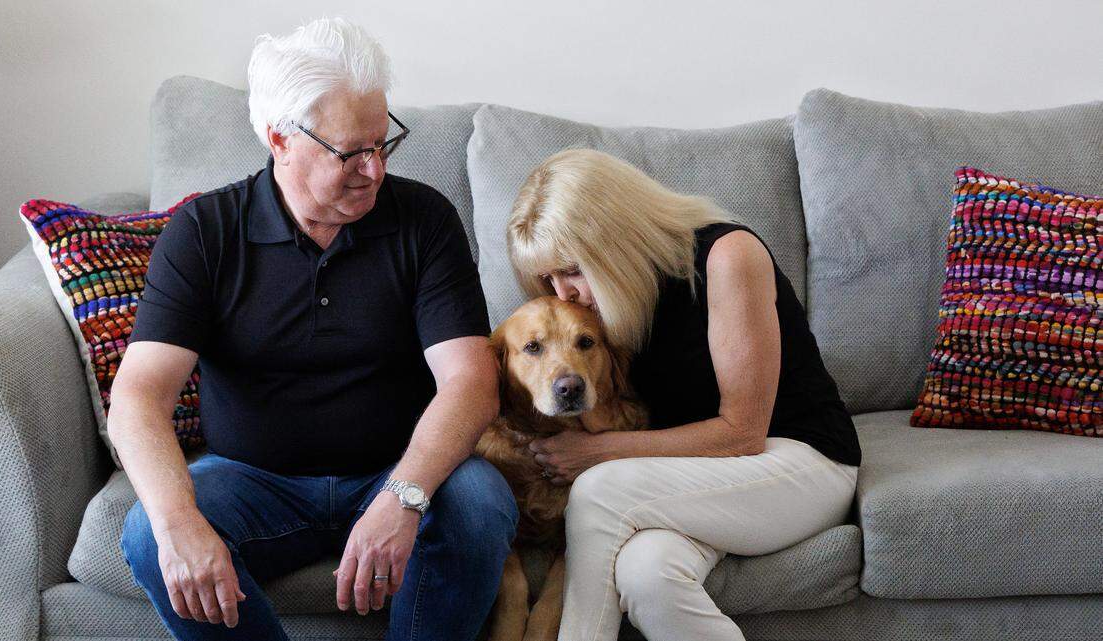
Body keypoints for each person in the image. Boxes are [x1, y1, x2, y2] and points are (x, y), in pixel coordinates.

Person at [111, 17, 517, 641]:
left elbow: (470, 382)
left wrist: (403, 497)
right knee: (146, 533)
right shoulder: (203, 232)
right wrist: (177, 523)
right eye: (352, 152)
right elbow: (138, 396)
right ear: (280, 138)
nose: (375, 169)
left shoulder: (424, 220)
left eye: (384, 144)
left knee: (482, 503)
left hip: (396, 467)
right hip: (252, 480)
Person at [506, 148, 862, 641]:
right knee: (645, 573)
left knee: (600, 489)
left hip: (797, 462)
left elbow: (743, 434)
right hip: (693, 482)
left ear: (614, 238)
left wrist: (596, 453)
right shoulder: (610, 306)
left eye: (570, 269)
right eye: (548, 279)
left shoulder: (727, 255)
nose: (563, 293)